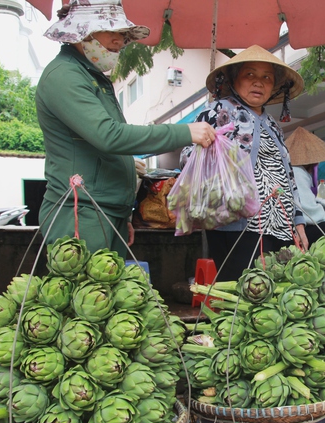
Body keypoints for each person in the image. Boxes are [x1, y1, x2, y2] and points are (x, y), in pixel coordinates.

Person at [36, 0, 215, 258]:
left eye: (122, 34)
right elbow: (109, 136)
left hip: (106, 211)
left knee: (112, 295)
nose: (119, 41)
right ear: (82, 31)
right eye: (112, 31)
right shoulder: (65, 75)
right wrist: (185, 132)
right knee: (86, 295)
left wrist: (124, 214)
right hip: (80, 211)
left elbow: (107, 146)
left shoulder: (92, 76)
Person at [186, 45, 307, 281]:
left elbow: (288, 176)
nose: (258, 83)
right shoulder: (217, 111)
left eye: (266, 78)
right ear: (234, 79)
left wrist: (298, 221)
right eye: (249, 75)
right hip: (237, 226)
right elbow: (190, 157)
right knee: (243, 296)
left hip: (280, 224)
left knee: (276, 298)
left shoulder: (273, 125)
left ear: (274, 86)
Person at [286, 127, 325, 245]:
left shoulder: (293, 171)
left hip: (284, 225)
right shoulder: (297, 172)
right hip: (289, 229)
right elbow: (307, 209)